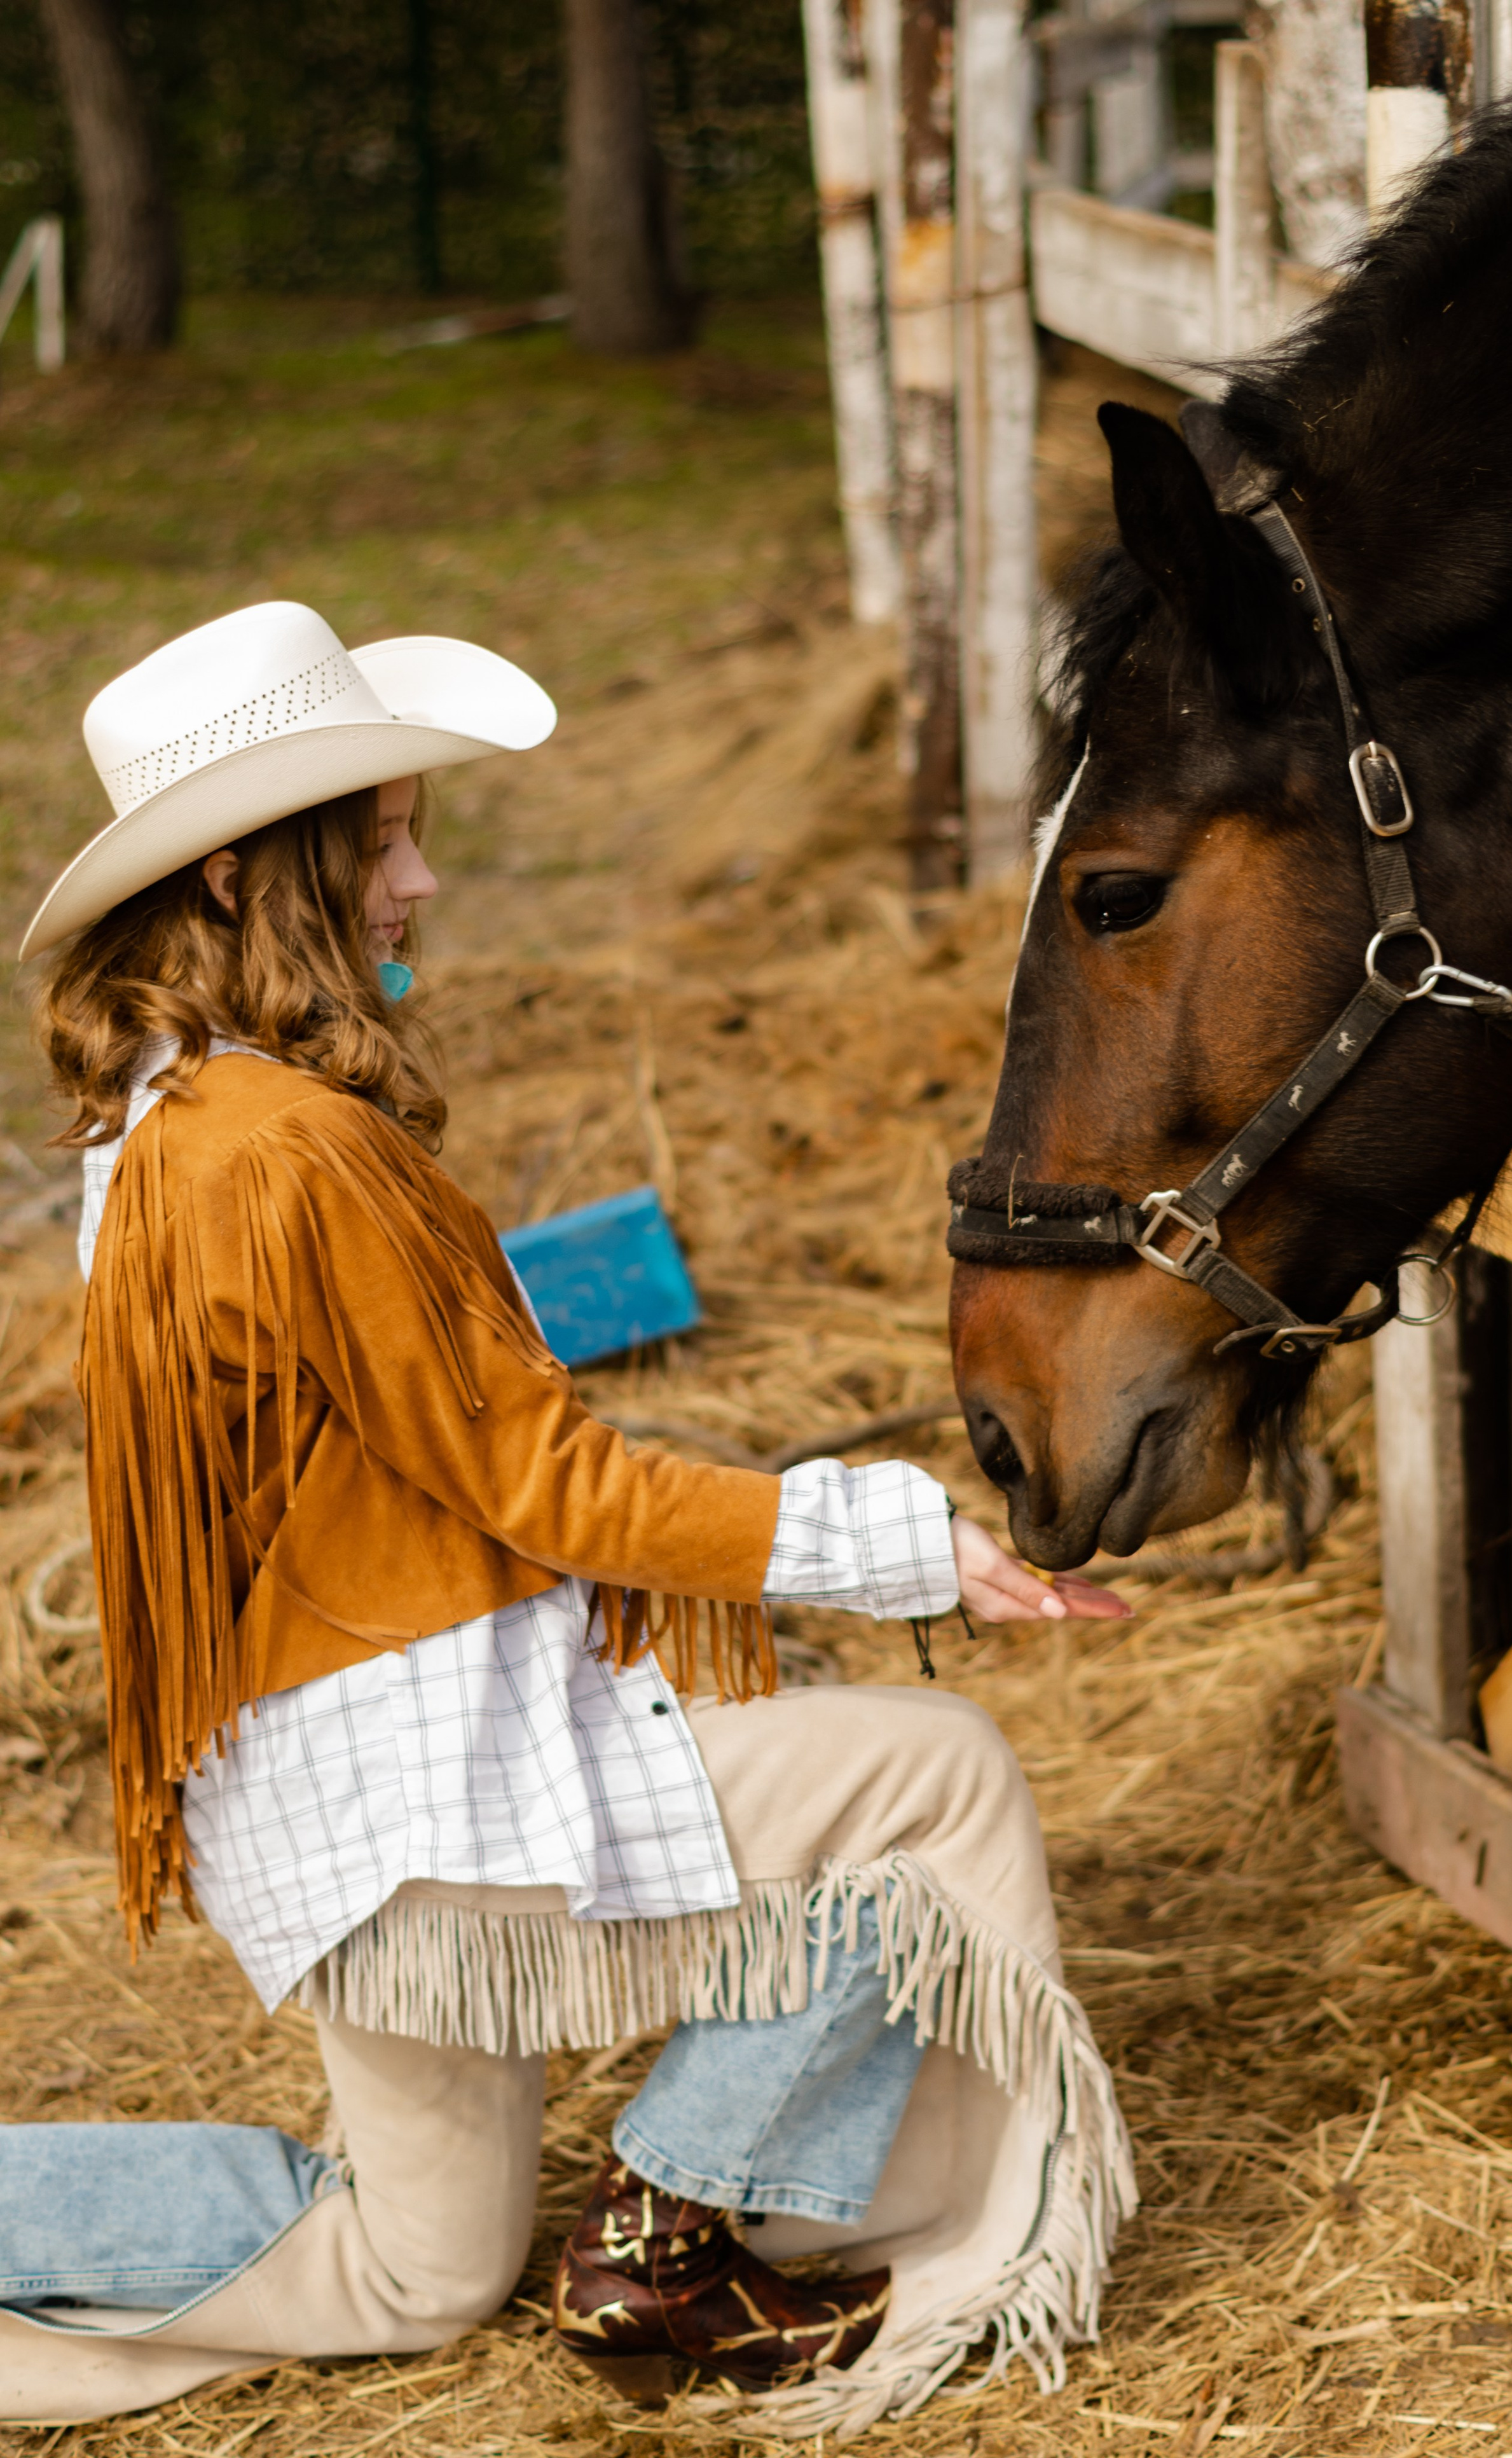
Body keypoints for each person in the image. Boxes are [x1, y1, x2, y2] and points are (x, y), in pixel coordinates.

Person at [0, 602, 1137, 2434]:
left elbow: (416, 1455)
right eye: (378, 840)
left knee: (421, 2267)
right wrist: (909, 1545)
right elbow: (548, 1485)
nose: (420, 880)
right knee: (930, 1782)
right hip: (422, 1806)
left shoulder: (155, 1127)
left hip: (309, 1813)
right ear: (235, 872)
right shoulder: (292, 1149)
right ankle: (684, 2222)